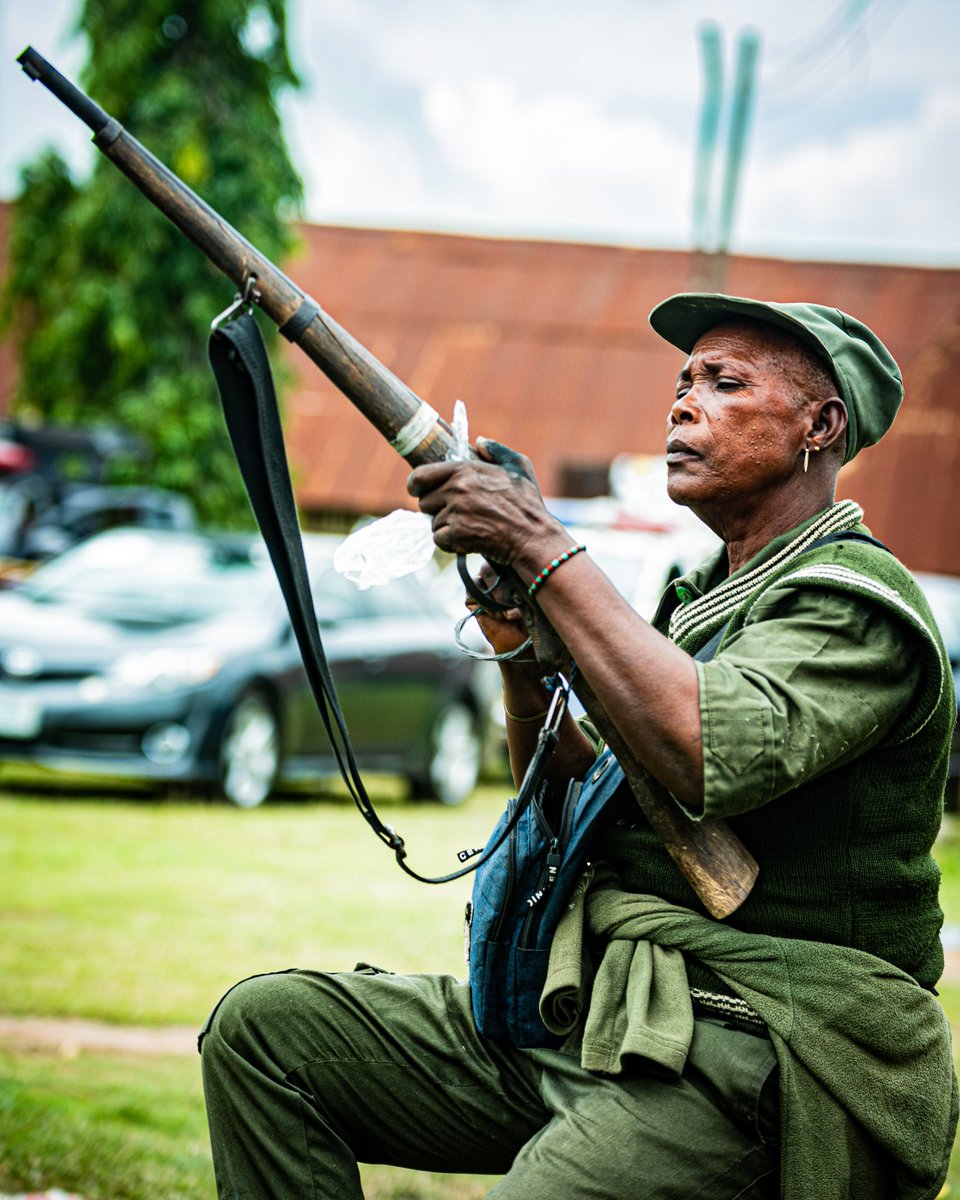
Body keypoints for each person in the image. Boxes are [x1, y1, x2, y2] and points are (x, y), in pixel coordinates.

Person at [199, 293, 957, 1199]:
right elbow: (564, 793)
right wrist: (521, 648)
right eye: (682, 382)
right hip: (604, 1008)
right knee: (268, 1033)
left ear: (821, 426)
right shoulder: (695, 604)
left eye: (724, 384)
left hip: (759, 1041)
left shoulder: (854, 601)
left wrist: (539, 539)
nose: (682, 404)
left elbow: (708, 751)